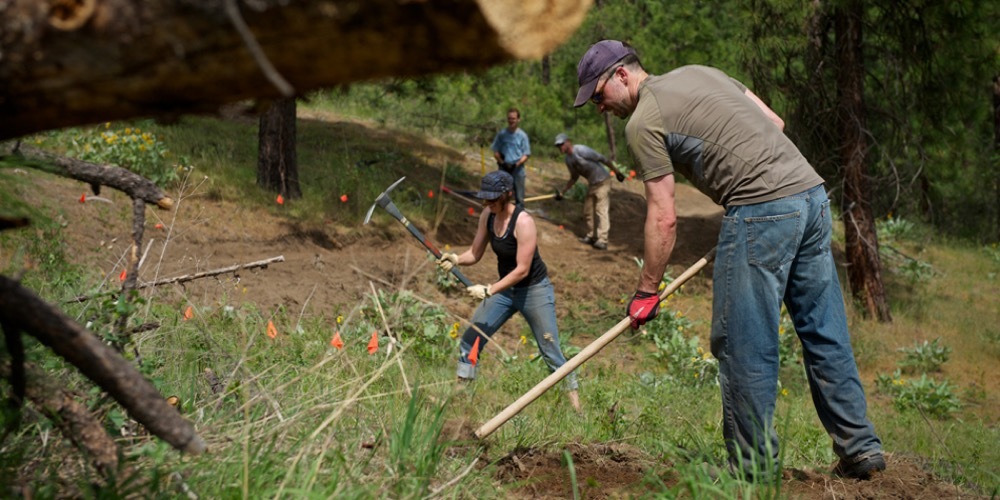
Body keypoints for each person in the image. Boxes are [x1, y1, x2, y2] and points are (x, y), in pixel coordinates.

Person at [573, 40, 884, 480]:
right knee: (824, 331)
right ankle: (862, 450)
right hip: (811, 197)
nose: (600, 108)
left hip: (763, 207)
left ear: (622, 75)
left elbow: (663, 217)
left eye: (599, 95)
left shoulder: (643, 122)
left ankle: (754, 475)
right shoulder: (703, 72)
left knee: (743, 345)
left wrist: (647, 290)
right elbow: (773, 122)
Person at [438, 170, 580, 411]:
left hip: (533, 290)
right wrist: (455, 259)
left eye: (493, 199)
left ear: (506, 196)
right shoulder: (488, 215)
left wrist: (489, 289)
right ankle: (460, 396)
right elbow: (475, 253)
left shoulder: (524, 222)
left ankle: (576, 409)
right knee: (471, 339)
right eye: (486, 199)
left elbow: (522, 269)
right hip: (505, 291)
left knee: (550, 350)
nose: (488, 203)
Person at [553, 133, 625, 251]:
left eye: (561, 144)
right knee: (587, 211)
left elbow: (602, 158)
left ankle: (602, 240)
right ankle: (592, 236)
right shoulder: (568, 160)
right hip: (592, 184)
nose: (560, 147)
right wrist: (563, 192)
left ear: (568, 142)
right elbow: (574, 177)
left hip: (603, 181)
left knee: (601, 210)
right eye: (558, 146)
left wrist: (616, 172)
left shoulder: (581, 150)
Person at [491, 108, 531, 207]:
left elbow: (526, 154)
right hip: (503, 168)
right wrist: (502, 162)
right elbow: (495, 151)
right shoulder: (502, 134)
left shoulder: (522, 136)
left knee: (519, 198)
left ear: (518, 119)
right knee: (501, 195)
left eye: (513, 118)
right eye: (509, 118)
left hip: (517, 170)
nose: (511, 120)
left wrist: (516, 164)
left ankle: (518, 219)